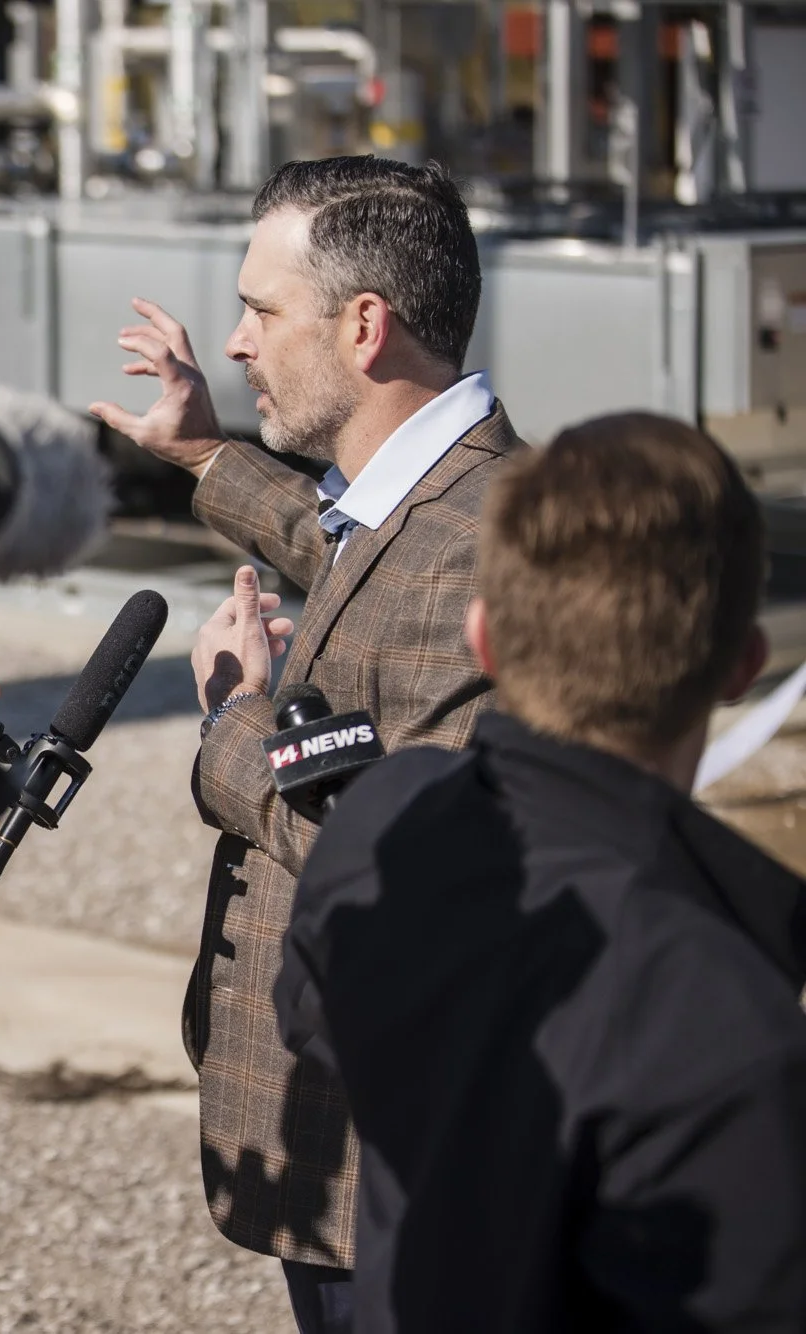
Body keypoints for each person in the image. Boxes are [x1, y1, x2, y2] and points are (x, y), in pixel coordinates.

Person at [88, 156, 519, 1330]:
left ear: (363, 325)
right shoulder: (423, 496)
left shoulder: (485, 542)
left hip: (387, 1156)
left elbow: (401, 853)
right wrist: (197, 454)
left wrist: (234, 723)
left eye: (261, 311)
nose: (234, 342)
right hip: (342, 1145)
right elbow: (340, 546)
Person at [275, 413, 806, 1332]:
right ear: (743, 666)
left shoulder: (380, 826)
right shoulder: (731, 1016)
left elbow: (306, 1013)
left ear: (485, 641)